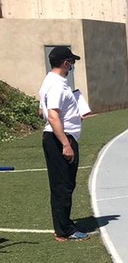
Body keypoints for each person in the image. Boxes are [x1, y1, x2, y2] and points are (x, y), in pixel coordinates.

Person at [39, 46, 89, 242]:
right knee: (63, 185)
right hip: (59, 138)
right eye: (71, 62)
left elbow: (43, 111)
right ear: (65, 63)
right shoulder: (57, 85)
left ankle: (63, 224)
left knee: (64, 184)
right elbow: (52, 115)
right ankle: (64, 230)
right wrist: (65, 144)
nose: (72, 65)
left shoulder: (51, 81)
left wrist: (73, 116)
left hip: (60, 135)